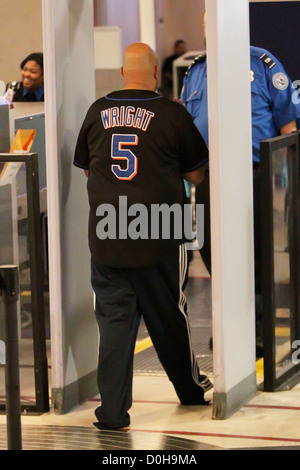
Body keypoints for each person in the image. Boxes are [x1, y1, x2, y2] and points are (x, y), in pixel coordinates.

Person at [74, 42, 211, 430]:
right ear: (155, 73)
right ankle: (190, 391)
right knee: (170, 313)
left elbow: (88, 168)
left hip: (107, 231)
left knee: (115, 323)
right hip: (160, 229)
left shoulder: (97, 112)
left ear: (121, 72)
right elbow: (197, 174)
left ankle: (113, 413)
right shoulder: (172, 114)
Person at [181, 13, 300, 355]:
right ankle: (230, 327)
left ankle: (258, 331)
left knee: (256, 255)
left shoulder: (262, 63)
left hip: (255, 175)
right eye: (206, 21)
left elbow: (287, 126)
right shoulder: (197, 70)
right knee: (212, 253)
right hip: (208, 176)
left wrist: (286, 183)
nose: (212, 26)